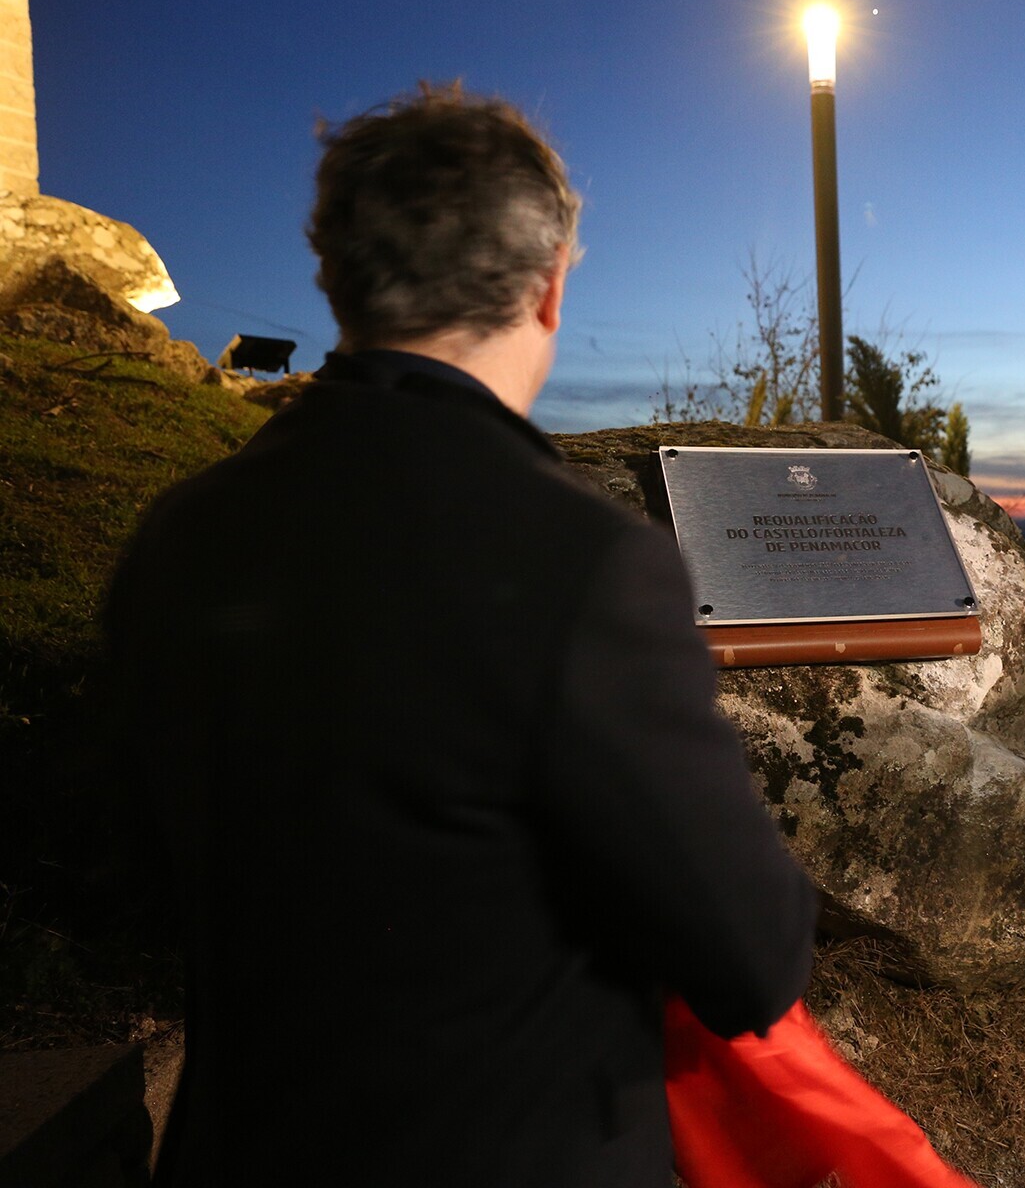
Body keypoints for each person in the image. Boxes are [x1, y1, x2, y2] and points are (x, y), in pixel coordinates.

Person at [104, 85, 819, 1187]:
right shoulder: (581, 561)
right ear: (548, 287)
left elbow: (147, 871)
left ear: (334, 276)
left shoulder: (180, 534)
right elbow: (750, 954)